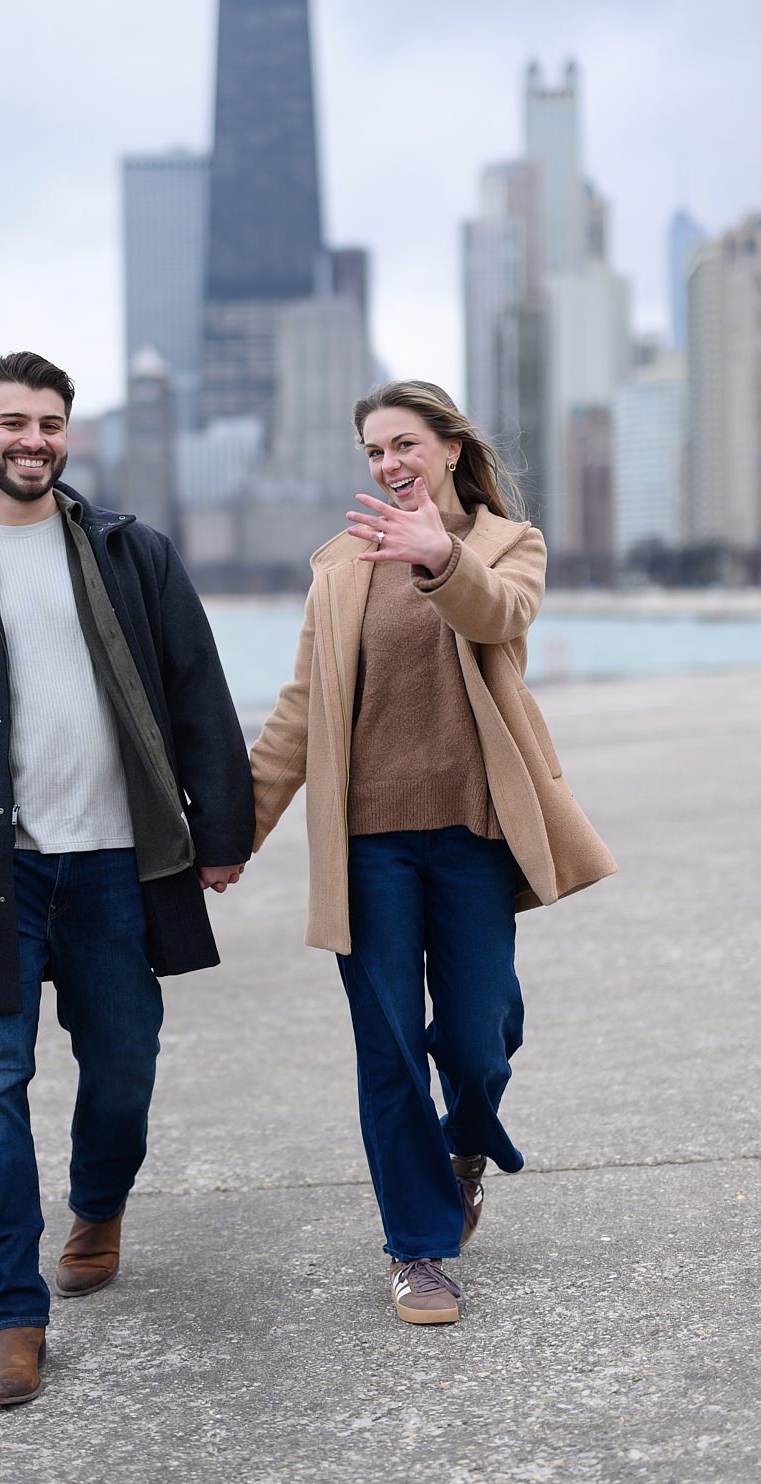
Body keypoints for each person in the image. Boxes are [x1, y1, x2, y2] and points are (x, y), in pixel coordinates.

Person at [0, 350, 253, 1404]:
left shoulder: (131, 553)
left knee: (123, 1065)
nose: (35, 440)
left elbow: (196, 689)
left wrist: (222, 828)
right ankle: (10, 1316)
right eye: (14, 422)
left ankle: (100, 1201)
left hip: (119, 858)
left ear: (69, 436)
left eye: (53, 424)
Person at [248, 380, 615, 1326]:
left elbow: (502, 615)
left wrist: (440, 557)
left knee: (479, 1035)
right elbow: (300, 712)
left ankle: (465, 1146)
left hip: (472, 834)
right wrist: (234, 832)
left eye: (404, 444)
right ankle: (420, 1249)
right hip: (367, 843)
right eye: (373, 451)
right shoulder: (339, 567)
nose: (388, 464)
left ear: (451, 448)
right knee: (386, 1048)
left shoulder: (505, 544)